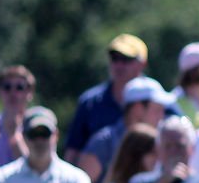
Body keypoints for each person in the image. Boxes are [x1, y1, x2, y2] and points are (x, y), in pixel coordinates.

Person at [63, 34, 149, 163]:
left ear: (142, 64)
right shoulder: (89, 102)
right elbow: (73, 152)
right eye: (114, 58)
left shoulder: (157, 101)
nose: (119, 65)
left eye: (126, 59)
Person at [0, 65, 36, 167]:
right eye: (7, 87)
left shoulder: (38, 126)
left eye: (19, 87)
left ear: (30, 92)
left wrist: (14, 136)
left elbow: (34, 170)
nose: (13, 93)